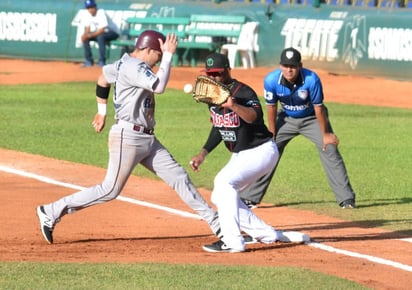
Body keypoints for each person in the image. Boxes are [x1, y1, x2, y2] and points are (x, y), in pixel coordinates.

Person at [36, 30, 222, 245]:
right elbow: (159, 86)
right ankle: (50, 211)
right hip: (128, 137)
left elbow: (103, 78)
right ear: (149, 49)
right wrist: (169, 55)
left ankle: (216, 223)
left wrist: (102, 111)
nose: (159, 59)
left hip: (147, 139)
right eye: (158, 55)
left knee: (178, 176)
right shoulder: (135, 67)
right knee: (110, 189)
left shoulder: (123, 62)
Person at [190, 53, 309, 253]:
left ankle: (233, 241)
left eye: (217, 73)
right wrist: (203, 154)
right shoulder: (214, 94)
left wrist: (234, 105)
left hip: (261, 151)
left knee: (224, 182)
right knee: (220, 195)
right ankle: (266, 234)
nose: (214, 78)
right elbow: (219, 126)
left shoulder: (243, 92)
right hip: (241, 154)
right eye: (210, 74)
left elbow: (254, 117)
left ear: (228, 70)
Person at [239, 47, 356, 209]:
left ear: (300, 65)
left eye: (292, 66)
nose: (289, 70)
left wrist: (326, 133)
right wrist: (272, 133)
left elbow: (319, 108)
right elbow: (271, 107)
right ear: (281, 66)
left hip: (312, 118)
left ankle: (346, 199)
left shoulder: (311, 79)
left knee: (329, 148)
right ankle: (250, 197)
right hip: (285, 118)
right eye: (286, 66)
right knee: (268, 150)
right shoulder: (271, 80)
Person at [80, 0, 120, 67]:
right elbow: (87, 29)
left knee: (100, 37)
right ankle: (89, 61)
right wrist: (85, 36)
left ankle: (102, 61)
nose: (90, 9)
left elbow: (102, 30)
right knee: (86, 38)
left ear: (95, 6)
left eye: (91, 7)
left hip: (113, 33)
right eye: (88, 8)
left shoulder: (101, 12)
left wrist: (90, 35)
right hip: (101, 33)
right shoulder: (88, 14)